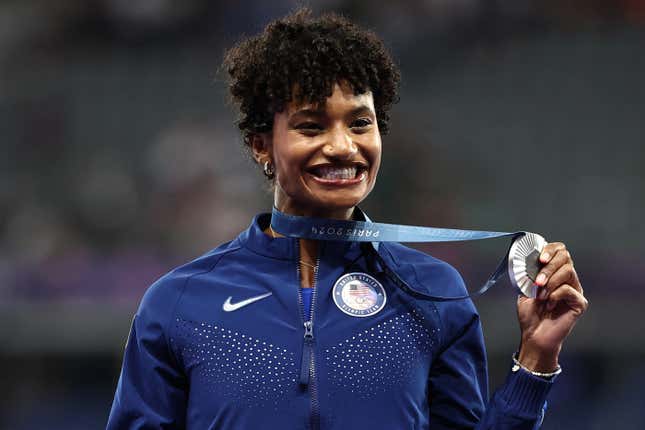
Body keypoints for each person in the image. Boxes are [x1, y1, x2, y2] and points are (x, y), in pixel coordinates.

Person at [107, 8, 587, 429]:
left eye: (360, 122)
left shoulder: (434, 292)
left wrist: (535, 361)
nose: (342, 146)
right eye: (311, 125)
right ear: (260, 145)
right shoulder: (178, 303)